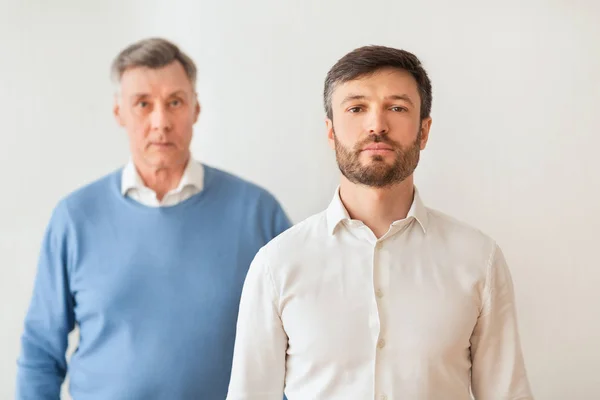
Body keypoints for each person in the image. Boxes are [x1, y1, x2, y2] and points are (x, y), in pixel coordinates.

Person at [226, 45, 533, 400]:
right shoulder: (276, 265)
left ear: (424, 130)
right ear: (330, 131)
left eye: (397, 108)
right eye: (357, 108)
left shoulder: (479, 260)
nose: (376, 125)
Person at [16, 37, 291, 399]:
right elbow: (40, 354)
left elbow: (297, 347)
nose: (160, 122)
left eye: (174, 102)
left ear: (195, 109)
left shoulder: (258, 213)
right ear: (119, 113)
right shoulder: (74, 218)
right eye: (143, 104)